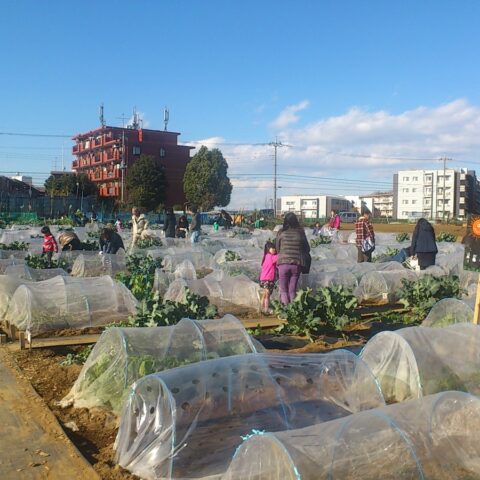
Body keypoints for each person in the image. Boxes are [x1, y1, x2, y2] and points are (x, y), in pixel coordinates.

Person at [275, 212, 311, 305]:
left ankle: (286, 310)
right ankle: (293, 309)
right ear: (296, 221)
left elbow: (277, 248)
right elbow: (307, 248)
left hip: (283, 263)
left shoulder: (281, 232)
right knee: (292, 290)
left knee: (284, 290)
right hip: (296, 264)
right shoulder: (300, 232)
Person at [259, 241, 278, 314]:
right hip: (267, 279)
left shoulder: (266, 256)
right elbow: (279, 257)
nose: (274, 249)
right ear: (268, 249)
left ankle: (261, 308)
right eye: (272, 248)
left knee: (265, 294)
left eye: (275, 248)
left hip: (264, 278)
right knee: (267, 294)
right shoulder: (270, 257)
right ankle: (266, 309)